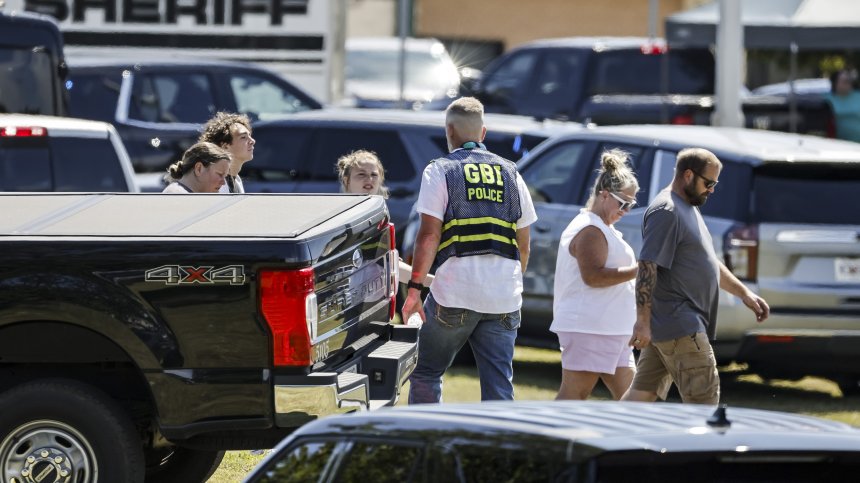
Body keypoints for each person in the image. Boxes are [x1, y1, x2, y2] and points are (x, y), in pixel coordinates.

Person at [401, 97, 537, 403]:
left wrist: (414, 291)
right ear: (483, 133)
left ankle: (424, 442)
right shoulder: (512, 172)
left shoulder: (441, 170)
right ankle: (498, 449)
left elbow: (427, 237)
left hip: (455, 293)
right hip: (504, 296)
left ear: (449, 130)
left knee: (426, 371)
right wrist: (506, 283)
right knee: (499, 386)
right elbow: (524, 245)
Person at [622, 148, 769, 405]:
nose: (711, 189)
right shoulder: (666, 211)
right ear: (688, 175)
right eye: (708, 182)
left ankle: (602, 440)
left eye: (714, 184)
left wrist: (744, 293)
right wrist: (642, 322)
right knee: (704, 404)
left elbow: (709, 261)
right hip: (680, 325)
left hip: (670, 327)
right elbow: (647, 266)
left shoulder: (688, 207)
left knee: (640, 398)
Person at [550, 149, 639, 400]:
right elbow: (593, 277)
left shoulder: (602, 227)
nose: (626, 210)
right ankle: (548, 439)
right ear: (604, 195)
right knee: (574, 396)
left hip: (611, 328)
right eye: (623, 202)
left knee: (634, 400)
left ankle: (636, 441)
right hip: (590, 326)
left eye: (632, 204)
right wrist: (640, 270)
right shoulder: (590, 229)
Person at [336, 150, 433, 288]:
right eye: (361, 174)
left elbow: (387, 263)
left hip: (376, 292)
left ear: (381, 179)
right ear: (347, 180)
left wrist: (430, 281)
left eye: (374, 175)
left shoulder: (380, 216)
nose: (368, 179)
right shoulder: (340, 216)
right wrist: (432, 282)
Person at [199, 112, 255, 193]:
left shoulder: (237, 181)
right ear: (225, 146)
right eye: (243, 137)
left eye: (250, 136)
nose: (252, 141)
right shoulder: (212, 183)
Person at [162, 142, 231, 193]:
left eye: (224, 176)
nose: (223, 182)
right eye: (220, 174)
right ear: (199, 169)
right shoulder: (180, 197)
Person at [826, 69, 860, 143]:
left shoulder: (858, 96)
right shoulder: (827, 99)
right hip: (840, 145)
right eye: (844, 81)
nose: (848, 83)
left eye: (849, 81)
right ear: (835, 83)